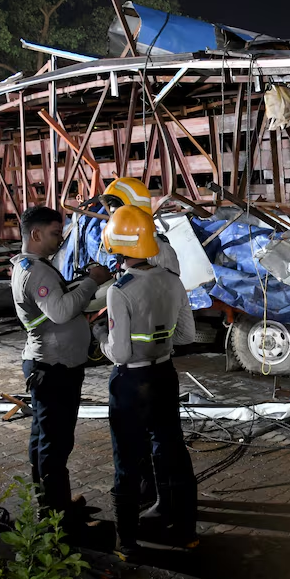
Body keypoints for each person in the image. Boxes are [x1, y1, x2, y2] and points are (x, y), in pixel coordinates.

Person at [93, 205, 197, 556]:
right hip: (165, 376)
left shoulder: (119, 291)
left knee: (126, 459)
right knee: (171, 450)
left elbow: (120, 353)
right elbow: (186, 336)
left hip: (131, 382)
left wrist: (99, 337)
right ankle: (184, 529)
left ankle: (128, 542)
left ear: (117, 246)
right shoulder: (172, 280)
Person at [10, 206, 111, 524]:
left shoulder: (31, 265)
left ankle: (52, 503)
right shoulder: (37, 271)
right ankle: (57, 517)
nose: (60, 239)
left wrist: (75, 286)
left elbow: (52, 302)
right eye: (55, 233)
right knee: (54, 442)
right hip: (54, 368)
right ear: (36, 234)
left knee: (44, 439)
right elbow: (58, 311)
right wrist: (92, 282)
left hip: (48, 364)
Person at [102, 177, 180, 275]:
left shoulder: (160, 250)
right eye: (113, 214)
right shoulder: (122, 246)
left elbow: (170, 286)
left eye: (118, 213)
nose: (114, 219)